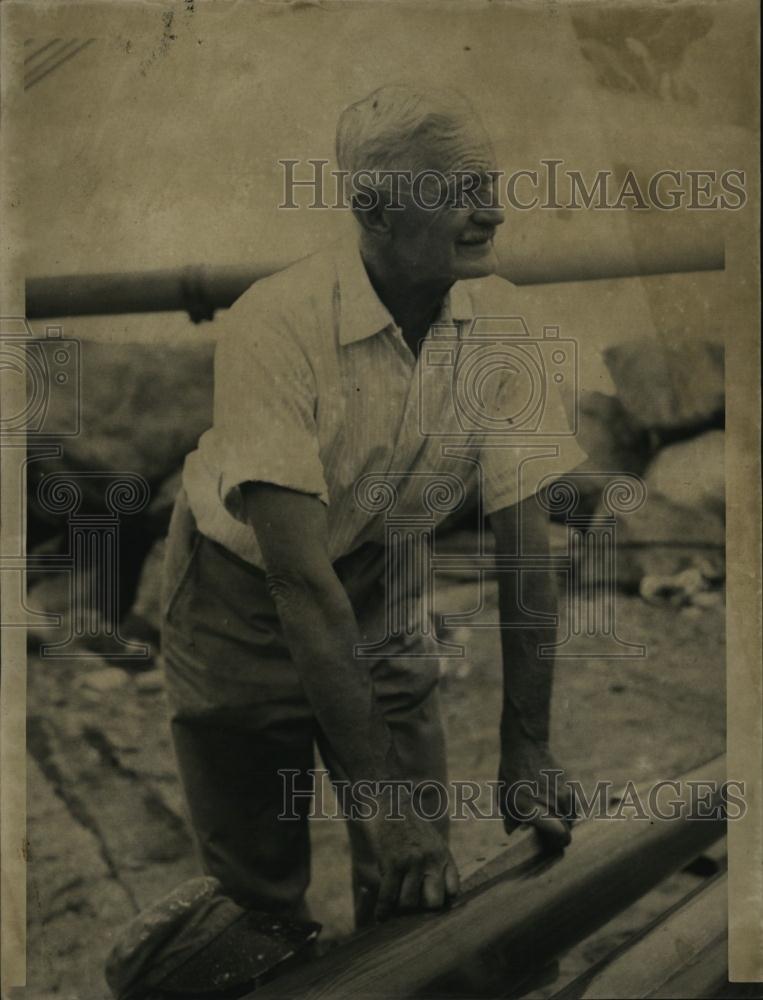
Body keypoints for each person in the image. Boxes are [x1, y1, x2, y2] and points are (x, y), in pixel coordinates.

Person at [160, 83, 587, 930]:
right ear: (373, 210)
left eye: (491, 183)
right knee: (256, 904)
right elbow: (300, 588)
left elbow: (526, 551)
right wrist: (380, 805)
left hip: (381, 577)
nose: (491, 212)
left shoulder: (506, 324)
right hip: (241, 596)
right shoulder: (273, 323)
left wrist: (527, 744)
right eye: (457, 190)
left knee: (418, 880)